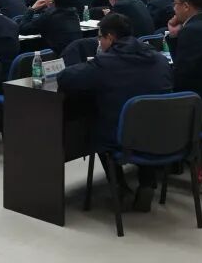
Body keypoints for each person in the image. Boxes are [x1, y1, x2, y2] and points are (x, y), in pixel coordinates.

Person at [57, 13, 173, 213]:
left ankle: (119, 187)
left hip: (123, 138)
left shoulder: (106, 63)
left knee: (97, 127)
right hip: (161, 133)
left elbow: (66, 78)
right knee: (145, 122)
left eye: (100, 38)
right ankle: (147, 183)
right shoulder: (159, 59)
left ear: (110, 37)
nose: (99, 43)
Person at [17, 0, 81, 55]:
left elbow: (23, 29)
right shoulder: (74, 13)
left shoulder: (49, 15)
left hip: (57, 56)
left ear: (51, 0)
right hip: (74, 54)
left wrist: (31, 9)